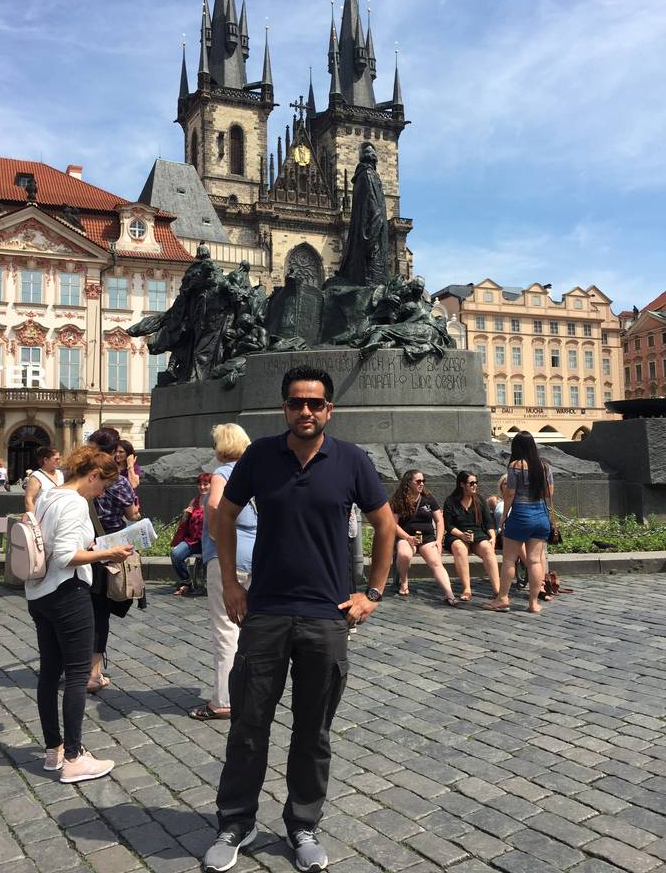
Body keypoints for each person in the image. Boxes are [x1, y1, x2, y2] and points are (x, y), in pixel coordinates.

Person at [202, 365, 395, 873]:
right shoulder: (261, 456)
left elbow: (385, 524)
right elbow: (224, 516)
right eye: (296, 403)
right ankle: (236, 822)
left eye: (314, 403)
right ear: (284, 407)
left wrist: (373, 593)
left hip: (326, 616)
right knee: (248, 725)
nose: (305, 411)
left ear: (329, 408)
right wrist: (230, 582)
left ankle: (303, 824)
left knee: (313, 731)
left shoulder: (351, 460)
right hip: (265, 611)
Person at [25, 446, 133, 783]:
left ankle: (53, 750)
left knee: (49, 673)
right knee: (76, 674)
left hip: (40, 593)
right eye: (103, 485)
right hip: (67, 593)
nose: (101, 493)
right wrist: (107, 553)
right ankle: (74, 757)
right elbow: (64, 556)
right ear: (93, 475)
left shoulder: (48, 495)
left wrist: (94, 549)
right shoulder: (74, 502)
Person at [189, 425, 256, 721]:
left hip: (228, 559)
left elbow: (215, 504)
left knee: (227, 629)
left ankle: (224, 700)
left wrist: (217, 535)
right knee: (252, 629)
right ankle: (251, 692)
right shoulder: (255, 473)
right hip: (256, 556)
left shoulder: (222, 474)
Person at [87, 427, 140, 693]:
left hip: (82, 547)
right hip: (109, 551)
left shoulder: (82, 476)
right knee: (100, 613)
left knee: (78, 609)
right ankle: (93, 674)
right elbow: (132, 515)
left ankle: (71, 666)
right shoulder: (118, 481)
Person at [485, 431, 554, 614]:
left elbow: (509, 493)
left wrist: (504, 516)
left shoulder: (516, 465)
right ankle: (533, 603)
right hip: (541, 516)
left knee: (509, 559)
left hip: (521, 515)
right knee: (535, 561)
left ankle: (502, 598)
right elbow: (549, 493)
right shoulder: (544, 466)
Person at [389, 469, 457, 605]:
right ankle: (404, 581)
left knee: (436, 562)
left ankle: (449, 593)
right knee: (404, 554)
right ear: (408, 482)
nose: (422, 484)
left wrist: (439, 541)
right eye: (418, 481)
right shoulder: (398, 499)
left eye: (423, 481)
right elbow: (393, 524)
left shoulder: (428, 498)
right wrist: (408, 538)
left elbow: (439, 520)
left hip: (427, 538)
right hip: (407, 537)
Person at [442, 471, 499, 601]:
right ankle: (467, 589)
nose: (475, 485)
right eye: (471, 483)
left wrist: (492, 537)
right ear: (462, 484)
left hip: (477, 534)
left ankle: (497, 590)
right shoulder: (451, 501)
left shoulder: (479, 500)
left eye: (476, 483)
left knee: (487, 548)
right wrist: (461, 535)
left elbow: (488, 523)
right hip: (457, 534)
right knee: (459, 548)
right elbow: (448, 525)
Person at [171, 472, 211, 595]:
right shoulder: (194, 501)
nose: (202, 487)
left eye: (206, 484)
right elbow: (184, 522)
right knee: (176, 554)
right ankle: (186, 581)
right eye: (200, 484)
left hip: (210, 541)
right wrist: (186, 515)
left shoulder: (215, 501)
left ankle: (208, 584)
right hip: (193, 540)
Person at [24, 447, 64, 513]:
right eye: (56, 459)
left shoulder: (60, 474)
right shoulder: (36, 477)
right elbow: (29, 500)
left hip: (59, 515)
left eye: (59, 459)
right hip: (42, 516)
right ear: (46, 460)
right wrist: (33, 518)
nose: (58, 461)